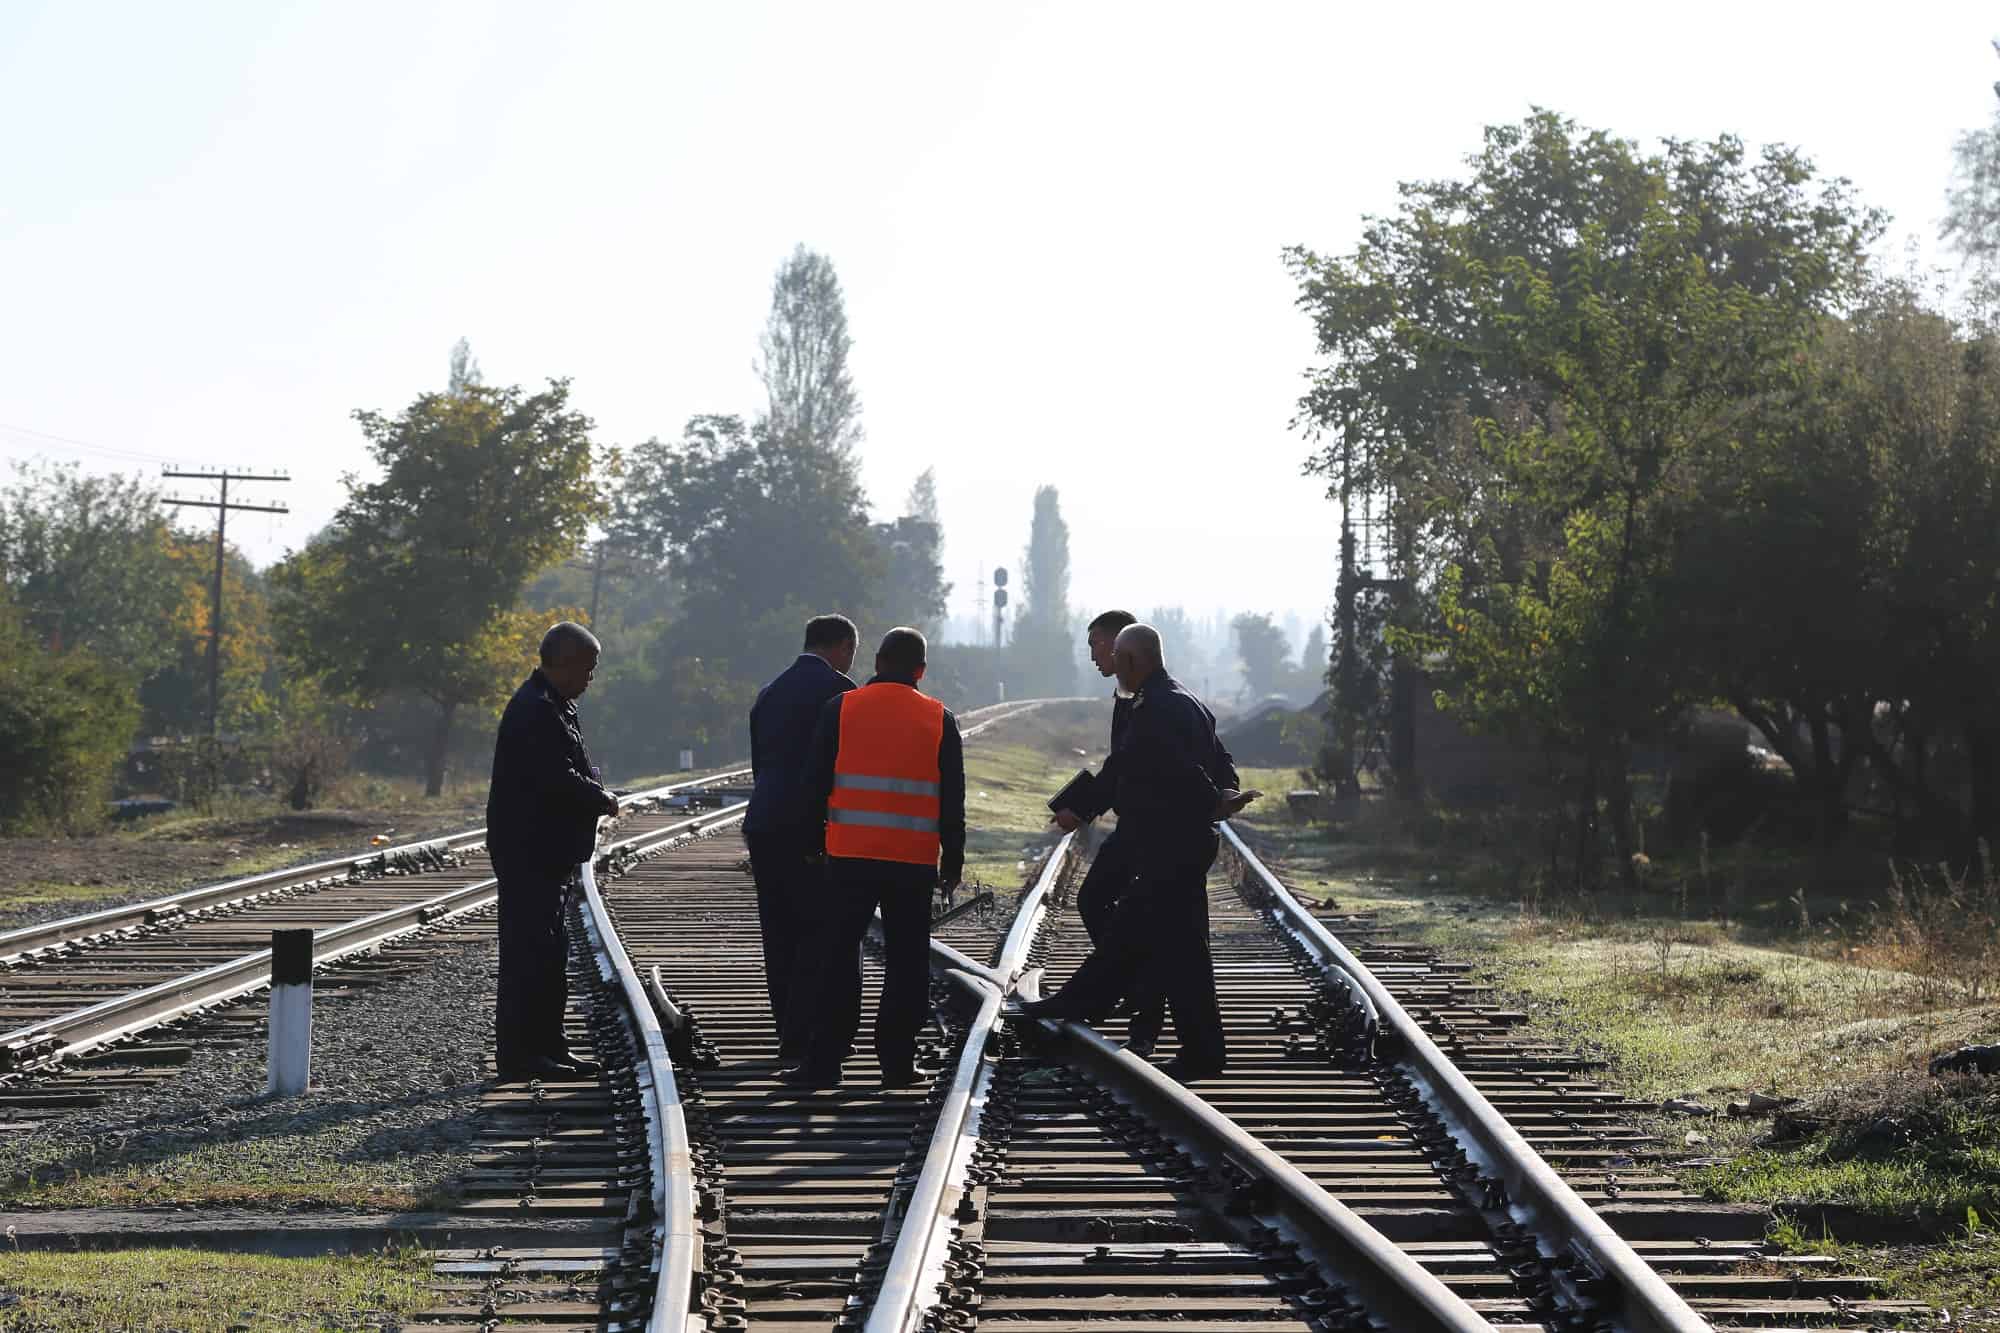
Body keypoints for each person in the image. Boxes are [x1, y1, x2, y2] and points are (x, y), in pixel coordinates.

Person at [1021, 623, 1259, 1082]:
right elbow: (1217, 760)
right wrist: (1224, 793)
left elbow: (1151, 769)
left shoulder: (1155, 709)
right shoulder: (1186, 701)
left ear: (1134, 661)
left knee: (1131, 931)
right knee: (1185, 950)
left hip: (1171, 843)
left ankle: (1083, 1000)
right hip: (1184, 841)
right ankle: (1203, 1052)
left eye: (1119, 660)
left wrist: (1214, 799)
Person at [789, 627, 967, 1090]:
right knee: (907, 961)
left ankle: (825, 1063)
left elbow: (814, 784)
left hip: (849, 856)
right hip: (912, 861)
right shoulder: (938, 718)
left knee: (838, 956)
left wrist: (810, 844)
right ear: (920, 671)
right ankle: (896, 1063)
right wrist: (953, 861)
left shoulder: (841, 709)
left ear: (877, 661)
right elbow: (953, 799)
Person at [485, 622, 620, 1081]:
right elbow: (554, 777)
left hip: (547, 854)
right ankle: (521, 1055)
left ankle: (550, 1047)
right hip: (529, 853)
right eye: (588, 667)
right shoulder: (534, 710)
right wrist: (600, 798)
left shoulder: (556, 705)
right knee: (528, 956)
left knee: (550, 956)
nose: (590, 678)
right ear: (563, 662)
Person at [745, 614, 859, 1065]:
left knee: (780, 934)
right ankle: (812, 1034)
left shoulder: (768, 693)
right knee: (820, 932)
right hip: (815, 828)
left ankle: (788, 1036)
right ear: (843, 648)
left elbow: (760, 766)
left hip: (765, 822)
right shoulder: (844, 694)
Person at [1050, 609, 1165, 1053]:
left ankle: (1132, 992)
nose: (1094, 654)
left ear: (1123, 648)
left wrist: (1079, 810)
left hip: (1148, 827)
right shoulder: (1127, 694)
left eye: (1098, 644)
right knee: (1101, 900)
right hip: (1135, 822)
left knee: (1100, 899)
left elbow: (1122, 766)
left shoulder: (1150, 699)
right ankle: (1132, 993)